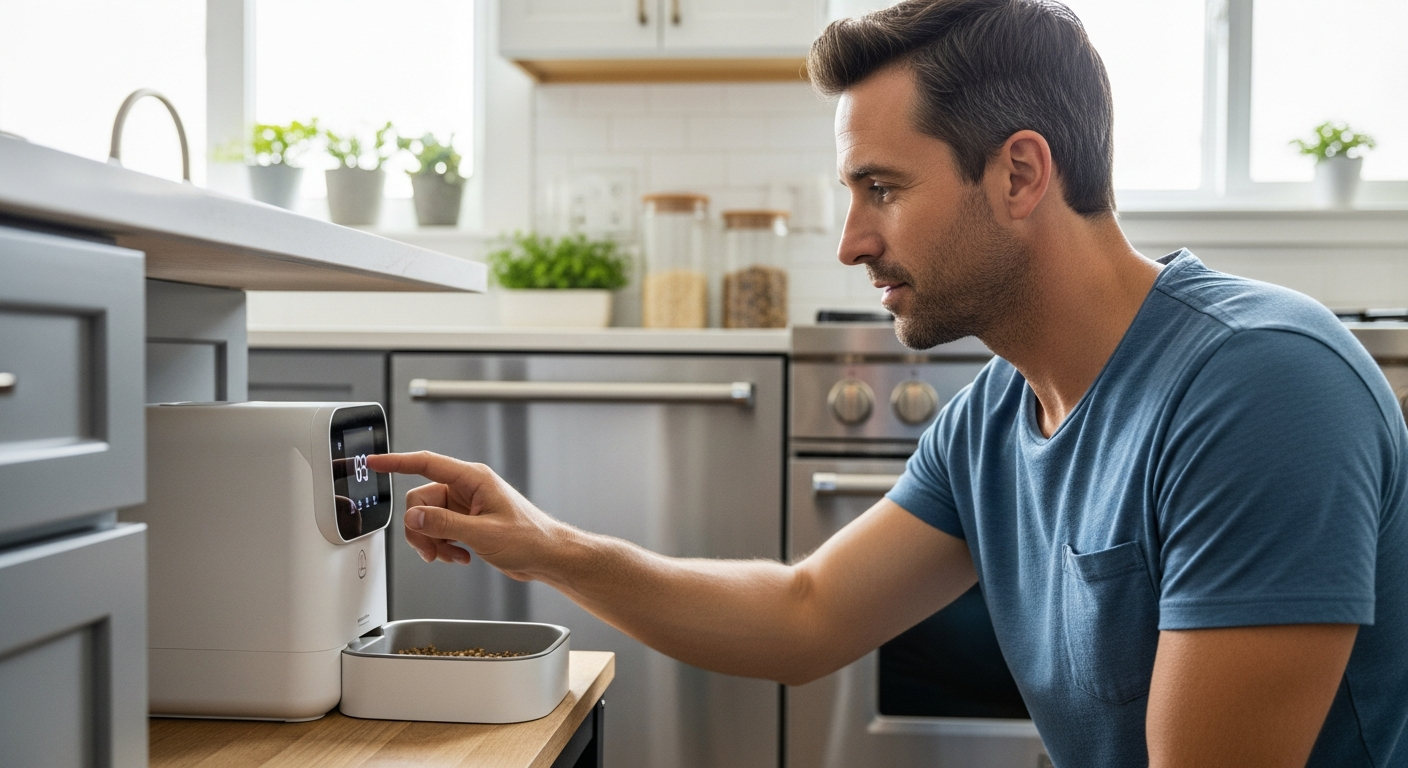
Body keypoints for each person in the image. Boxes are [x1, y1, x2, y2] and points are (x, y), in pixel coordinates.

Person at [368, 0, 1408, 764]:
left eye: (882, 189)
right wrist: (548, 547)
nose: (852, 241)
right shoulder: (997, 414)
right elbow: (803, 615)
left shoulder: (1258, 387)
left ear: (1017, 174)